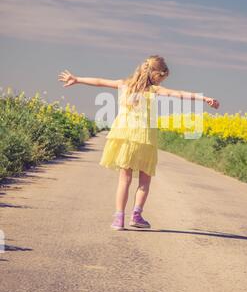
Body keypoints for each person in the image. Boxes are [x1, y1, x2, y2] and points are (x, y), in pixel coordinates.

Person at [58, 55, 219, 231]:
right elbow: (179, 94)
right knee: (144, 179)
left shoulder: (124, 84)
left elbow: (99, 81)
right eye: (162, 78)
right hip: (145, 138)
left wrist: (77, 79)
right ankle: (136, 215)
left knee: (124, 179)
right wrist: (203, 99)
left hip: (124, 136)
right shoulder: (155, 90)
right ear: (156, 75)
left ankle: (118, 219)